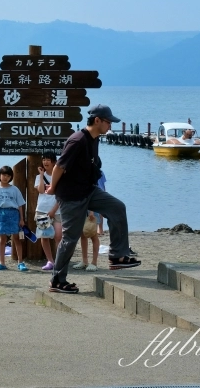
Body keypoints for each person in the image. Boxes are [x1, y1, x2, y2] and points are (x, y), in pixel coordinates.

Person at [46, 104, 139, 295]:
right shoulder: (77, 140)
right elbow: (59, 167)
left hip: (89, 191)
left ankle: (117, 256)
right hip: (71, 196)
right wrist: (53, 187)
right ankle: (57, 280)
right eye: (108, 122)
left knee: (117, 207)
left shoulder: (94, 139)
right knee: (70, 238)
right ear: (97, 120)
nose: (110, 126)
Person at [0, 165, 27, 272]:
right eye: (3, 175)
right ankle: (2, 263)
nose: (5, 177)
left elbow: (20, 205)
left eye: (8, 175)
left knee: (17, 239)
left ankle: (20, 262)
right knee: (2, 240)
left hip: (14, 213)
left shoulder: (14, 189)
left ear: (11, 177)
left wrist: (21, 219)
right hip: (2, 213)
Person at [34, 152, 62, 271]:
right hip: (42, 210)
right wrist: (41, 175)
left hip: (57, 210)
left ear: (54, 162)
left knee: (58, 236)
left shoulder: (60, 176)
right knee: (44, 236)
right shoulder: (38, 177)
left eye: (48, 160)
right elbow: (40, 190)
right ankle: (50, 261)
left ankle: (60, 260)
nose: (45, 162)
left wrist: (53, 210)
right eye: (44, 159)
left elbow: (62, 195)